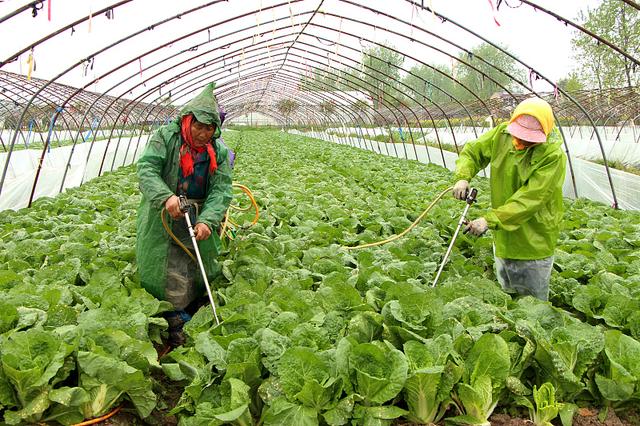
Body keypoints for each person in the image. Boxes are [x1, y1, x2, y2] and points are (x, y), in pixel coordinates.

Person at [136, 82, 233, 346]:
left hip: (200, 210)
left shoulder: (218, 152)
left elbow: (221, 189)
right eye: (198, 126)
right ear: (187, 122)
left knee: (200, 260)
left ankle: (195, 307)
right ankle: (175, 317)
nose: (203, 134)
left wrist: (208, 220)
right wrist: (166, 197)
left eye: (209, 128)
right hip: (166, 213)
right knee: (170, 264)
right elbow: (147, 169)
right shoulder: (165, 138)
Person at [452, 97, 566, 301]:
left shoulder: (552, 155)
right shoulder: (502, 134)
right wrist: (462, 177)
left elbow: (530, 199)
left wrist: (490, 220)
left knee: (534, 304)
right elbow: (473, 152)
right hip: (503, 234)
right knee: (507, 296)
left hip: (534, 237)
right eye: (520, 135)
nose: (522, 141)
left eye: (530, 137)